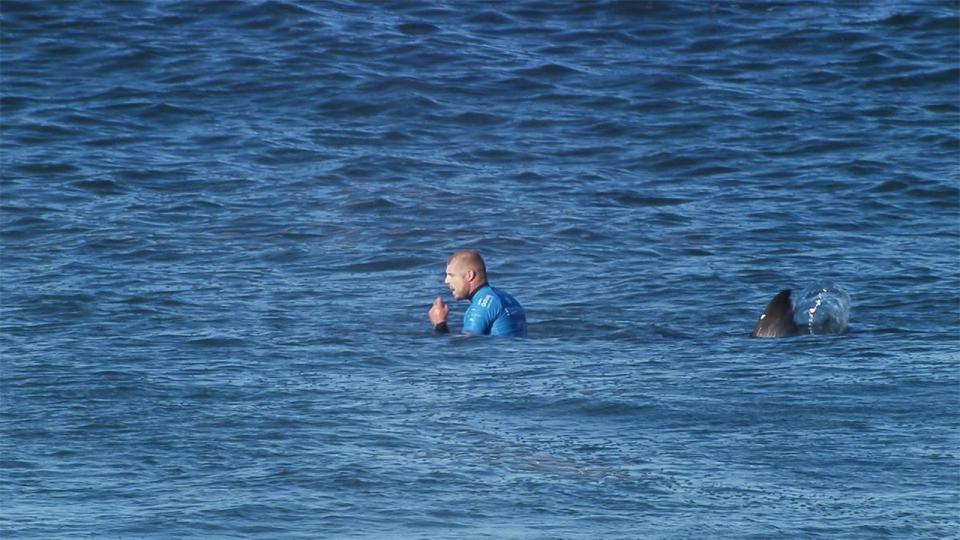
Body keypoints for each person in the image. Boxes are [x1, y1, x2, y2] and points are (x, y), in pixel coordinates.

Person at [428, 250, 527, 337]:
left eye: (451, 275)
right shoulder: (507, 298)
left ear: (469, 275)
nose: (446, 281)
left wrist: (440, 323)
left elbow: (464, 350)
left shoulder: (480, 306)